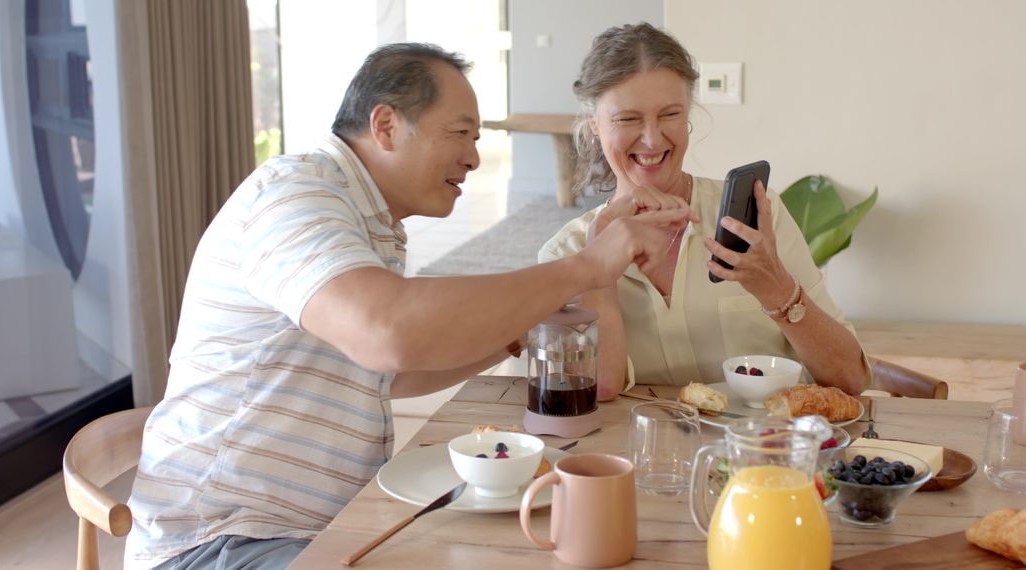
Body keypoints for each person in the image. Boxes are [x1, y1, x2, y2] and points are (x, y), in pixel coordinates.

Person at [124, 42, 692, 569]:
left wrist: (519, 325)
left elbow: (391, 373)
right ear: (386, 125)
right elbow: (386, 332)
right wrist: (588, 266)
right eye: (462, 133)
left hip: (323, 525)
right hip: (222, 540)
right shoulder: (296, 197)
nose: (473, 157)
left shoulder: (367, 221)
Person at [539, 23, 870, 401]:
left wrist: (776, 288)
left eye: (670, 115)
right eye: (628, 119)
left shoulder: (758, 218)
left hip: (764, 453)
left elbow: (850, 379)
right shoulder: (566, 254)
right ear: (595, 125)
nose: (651, 139)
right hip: (641, 454)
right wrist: (598, 261)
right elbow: (594, 390)